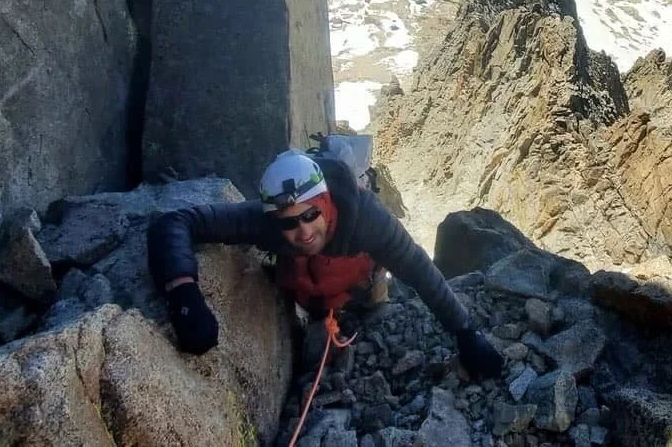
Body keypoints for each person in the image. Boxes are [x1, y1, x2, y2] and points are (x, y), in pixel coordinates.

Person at [146, 147, 506, 379]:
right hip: (308, 291)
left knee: (368, 300)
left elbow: (419, 271)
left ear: (325, 201)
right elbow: (175, 222)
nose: (302, 231)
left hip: (357, 281)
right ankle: (321, 314)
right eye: (289, 222)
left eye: (310, 215)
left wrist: (466, 332)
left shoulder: (368, 220)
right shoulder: (267, 221)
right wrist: (183, 293)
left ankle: (365, 300)